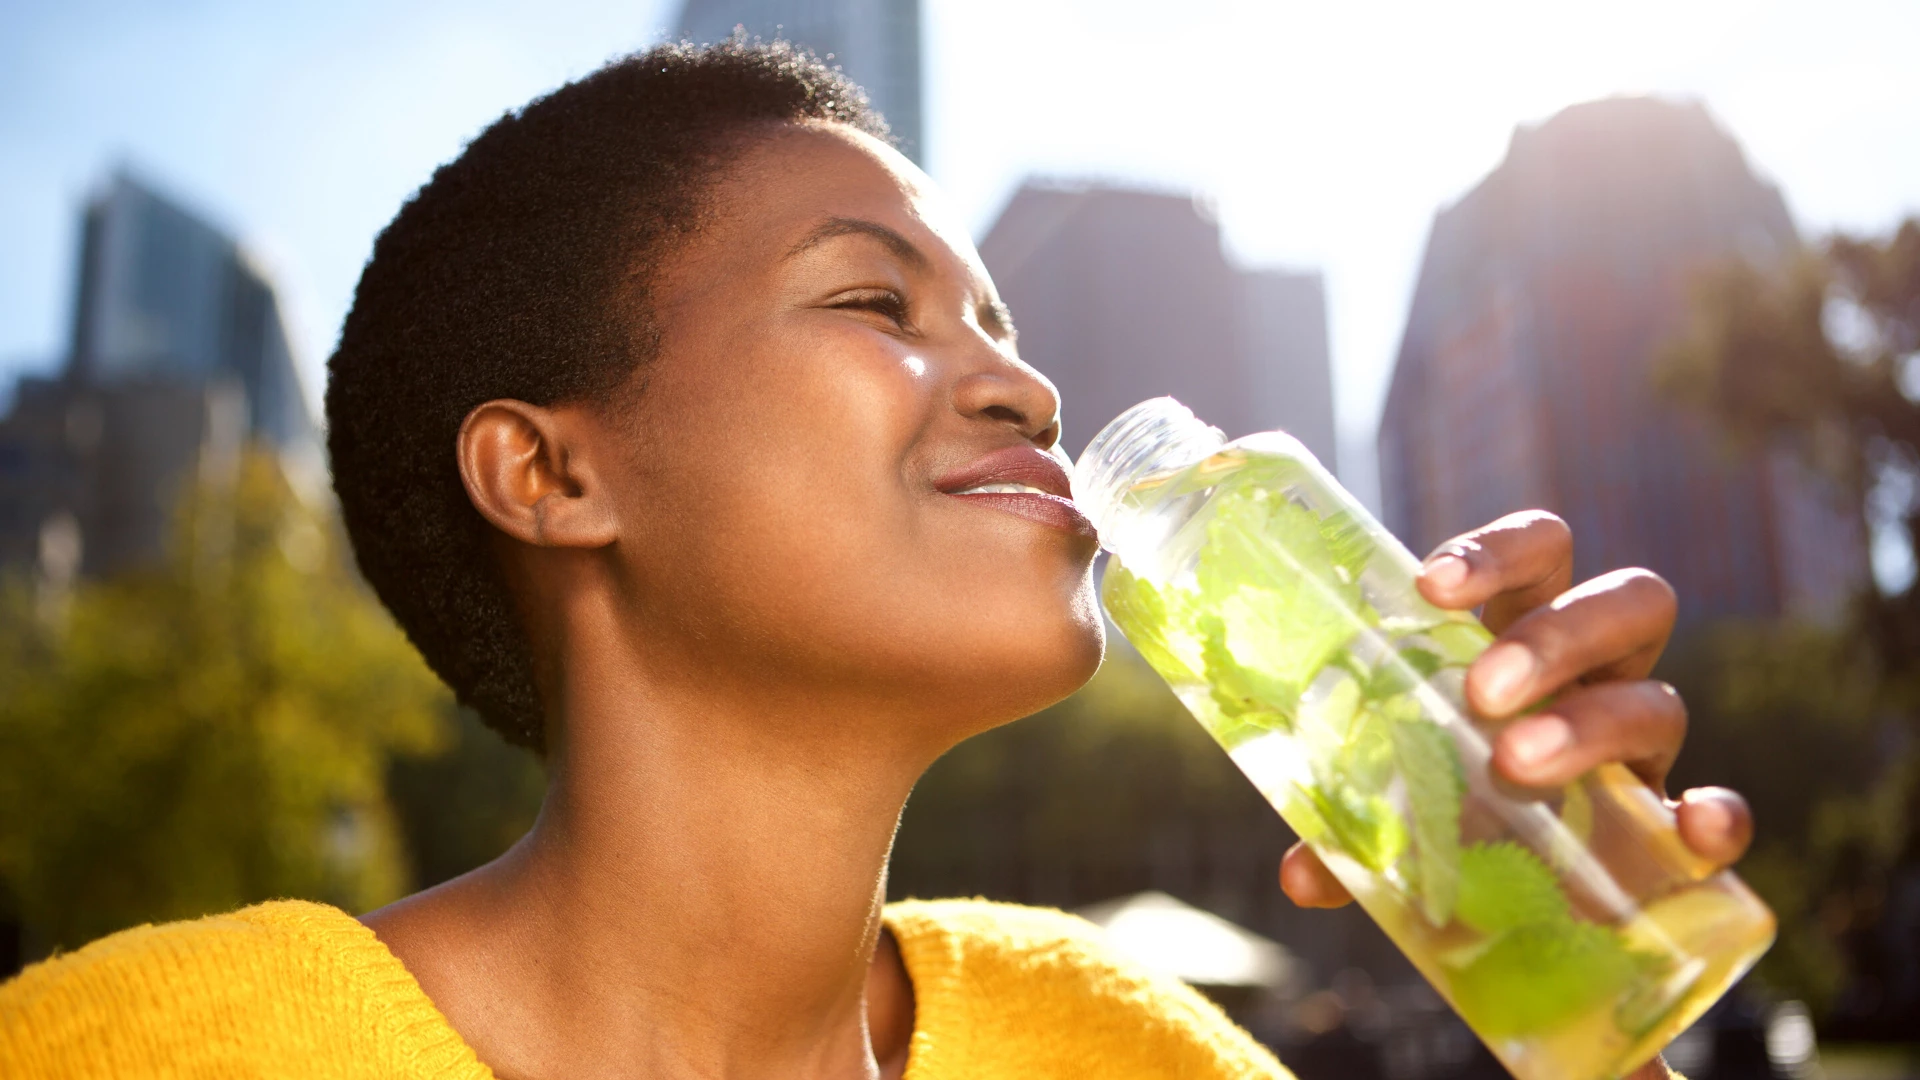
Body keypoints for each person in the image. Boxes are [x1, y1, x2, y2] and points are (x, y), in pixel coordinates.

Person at [0, 40, 1751, 1080]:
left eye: (998, 315)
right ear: (548, 471)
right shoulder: (137, 1051)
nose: (1024, 379)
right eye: (872, 303)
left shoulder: (1115, 1046)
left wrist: (1598, 1027)